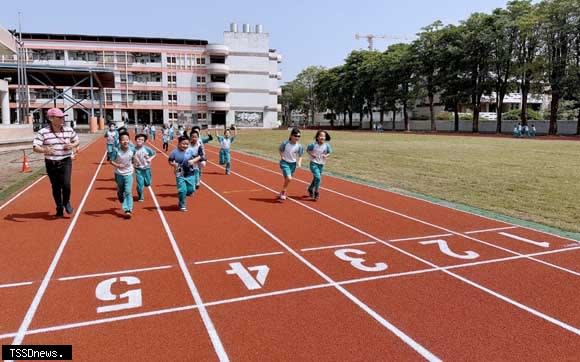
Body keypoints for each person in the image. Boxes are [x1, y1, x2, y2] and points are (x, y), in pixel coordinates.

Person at [32, 108, 80, 218]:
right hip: (51, 162)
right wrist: (44, 150)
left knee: (66, 184)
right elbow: (35, 147)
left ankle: (66, 202)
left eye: (63, 117)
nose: (62, 119)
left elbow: (77, 140)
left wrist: (72, 145)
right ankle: (59, 207)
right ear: (51, 118)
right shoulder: (43, 132)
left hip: (66, 160)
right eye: (59, 117)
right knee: (56, 186)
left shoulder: (69, 130)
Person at [168, 136, 201, 211]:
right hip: (179, 172)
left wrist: (193, 161)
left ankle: (187, 193)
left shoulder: (190, 151)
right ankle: (182, 204)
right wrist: (174, 164)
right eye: (183, 144)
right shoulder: (174, 152)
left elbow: (199, 157)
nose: (185, 146)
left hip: (190, 172)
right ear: (179, 143)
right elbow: (170, 161)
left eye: (187, 144)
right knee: (182, 190)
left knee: (191, 190)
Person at [109, 132, 135, 219]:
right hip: (119, 173)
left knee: (128, 191)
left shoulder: (132, 149)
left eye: (127, 140)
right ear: (120, 141)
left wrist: (138, 162)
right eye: (123, 140)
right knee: (121, 189)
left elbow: (134, 157)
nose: (125, 141)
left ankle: (128, 209)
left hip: (129, 173)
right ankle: (119, 193)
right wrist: (118, 165)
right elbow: (111, 161)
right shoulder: (116, 151)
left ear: (129, 140)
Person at [277, 127, 304, 201]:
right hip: (285, 162)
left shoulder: (299, 146)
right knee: (289, 178)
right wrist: (282, 157)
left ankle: (282, 191)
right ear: (291, 135)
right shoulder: (285, 143)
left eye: (299, 136)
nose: (297, 137)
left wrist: (299, 162)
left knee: (287, 179)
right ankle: (283, 192)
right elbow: (280, 149)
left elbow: (300, 155)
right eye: (295, 136)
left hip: (293, 164)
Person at [306, 130, 332, 201]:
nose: (322, 137)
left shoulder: (327, 146)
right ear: (317, 137)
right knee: (318, 177)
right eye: (320, 136)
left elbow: (329, 152)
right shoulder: (313, 145)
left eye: (323, 136)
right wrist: (312, 154)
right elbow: (307, 150)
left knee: (316, 178)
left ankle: (310, 188)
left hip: (321, 164)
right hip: (313, 163)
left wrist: (326, 155)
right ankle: (316, 192)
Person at [133, 133, 156, 202]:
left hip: (147, 168)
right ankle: (140, 195)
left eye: (142, 140)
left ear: (144, 141)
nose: (140, 141)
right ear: (135, 140)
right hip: (138, 169)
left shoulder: (147, 148)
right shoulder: (133, 149)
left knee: (148, 183)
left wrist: (150, 159)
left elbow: (154, 154)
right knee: (140, 184)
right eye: (138, 139)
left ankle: (147, 182)